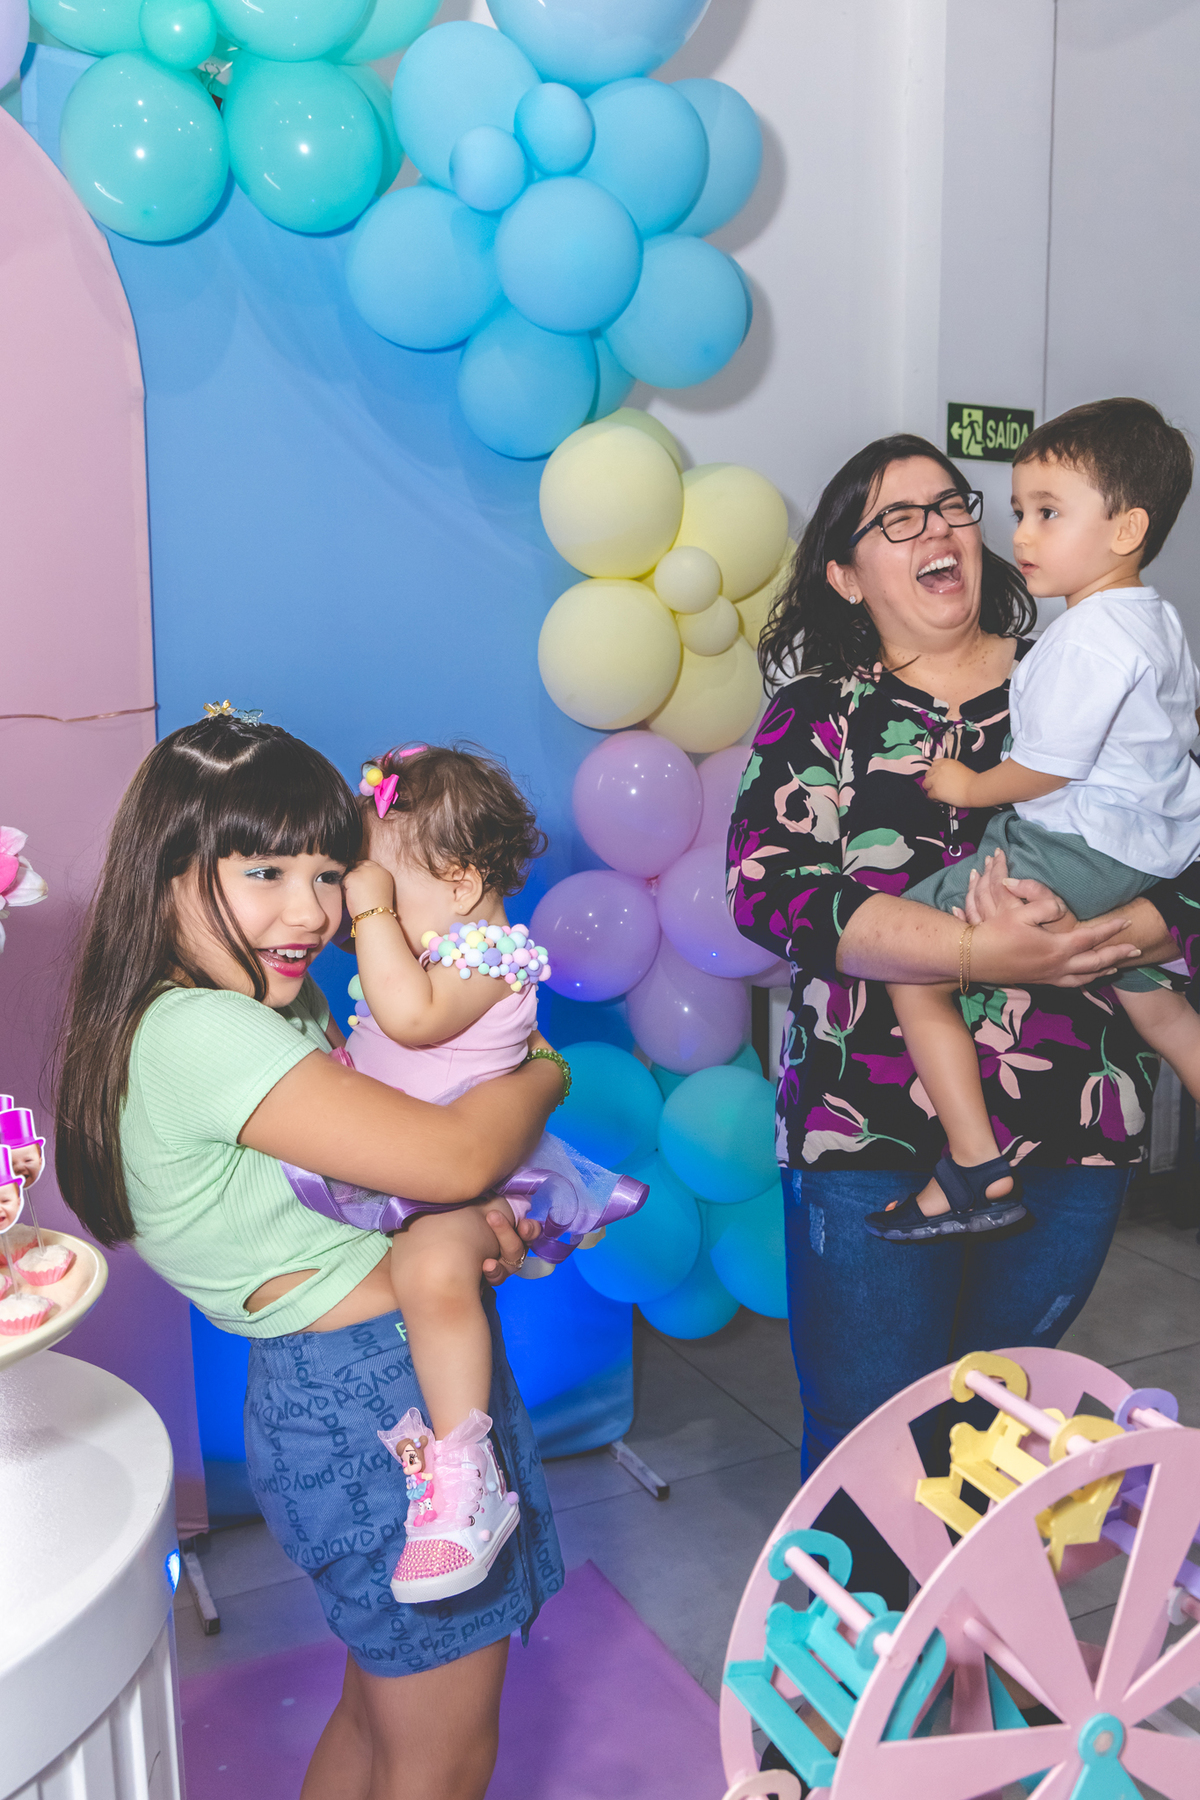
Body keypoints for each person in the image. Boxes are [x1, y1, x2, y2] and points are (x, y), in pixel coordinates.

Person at [55, 714, 567, 1800]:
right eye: (266, 872)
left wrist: (462, 1236)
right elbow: (453, 1150)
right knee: (440, 1757)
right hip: (375, 1404)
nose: (311, 910)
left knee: (380, 1715)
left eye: (332, 873)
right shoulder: (206, 1033)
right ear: (169, 873)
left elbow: (380, 1200)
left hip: (351, 1384)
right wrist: (544, 1078)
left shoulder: (245, 1011)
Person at [727, 432, 1200, 1600]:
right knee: (870, 1430)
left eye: (953, 505)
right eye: (898, 519)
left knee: (1001, 1428)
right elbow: (771, 893)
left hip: (1071, 1122)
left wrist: (1138, 933)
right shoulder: (822, 712)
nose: (941, 528)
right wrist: (975, 948)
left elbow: (1183, 840)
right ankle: (840, 1715)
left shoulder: (1086, 660)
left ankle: (977, 1668)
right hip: (869, 1131)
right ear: (846, 574)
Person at [288, 741, 645, 1605]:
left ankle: (463, 1480)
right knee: (411, 1287)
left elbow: (409, 1026)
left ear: (456, 885)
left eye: (380, 882)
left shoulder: (492, 957)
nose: (361, 900)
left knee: (439, 1280)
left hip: (451, 1176)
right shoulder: (438, 954)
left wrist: (372, 915)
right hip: (410, 1162)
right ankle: (430, 1457)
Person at [876, 398, 1200, 1241]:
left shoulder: (1088, 635)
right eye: (1020, 511)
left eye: (1048, 513)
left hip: (1077, 849)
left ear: (1127, 527)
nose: (1021, 534)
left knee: (908, 952)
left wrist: (966, 784)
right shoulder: (1153, 617)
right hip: (1146, 856)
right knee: (1162, 1013)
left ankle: (976, 1164)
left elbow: (1051, 766)